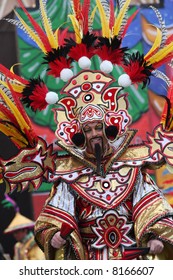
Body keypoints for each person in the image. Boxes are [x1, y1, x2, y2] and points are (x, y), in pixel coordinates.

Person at [0, 0, 173, 260]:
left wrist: (157, 235)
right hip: (87, 261)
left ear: (109, 126)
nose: (93, 133)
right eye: (88, 128)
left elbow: (150, 205)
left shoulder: (132, 164)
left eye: (97, 127)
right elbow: (54, 216)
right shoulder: (68, 171)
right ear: (77, 131)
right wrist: (55, 234)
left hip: (131, 258)